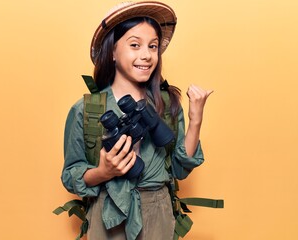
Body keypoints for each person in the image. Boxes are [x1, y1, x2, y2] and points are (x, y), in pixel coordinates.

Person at [61, 1, 213, 239]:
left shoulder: (166, 104)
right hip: (107, 211)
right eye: (135, 45)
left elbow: (181, 170)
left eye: (153, 46)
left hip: (159, 211)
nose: (146, 55)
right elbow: (71, 175)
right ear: (112, 51)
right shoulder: (87, 109)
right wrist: (104, 172)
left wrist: (195, 120)